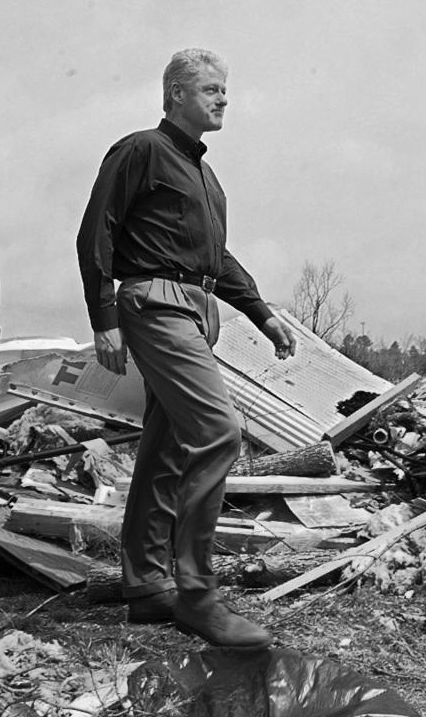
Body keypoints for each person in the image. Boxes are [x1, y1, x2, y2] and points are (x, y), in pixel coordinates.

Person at [76, 49, 296, 649]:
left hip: (200, 308)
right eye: (210, 89)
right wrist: (104, 316)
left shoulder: (206, 176)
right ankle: (198, 594)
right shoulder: (141, 149)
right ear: (175, 93)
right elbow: (98, 229)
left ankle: (147, 585)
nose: (224, 98)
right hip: (153, 301)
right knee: (219, 430)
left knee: (167, 447)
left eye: (226, 89)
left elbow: (217, 258)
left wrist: (261, 311)